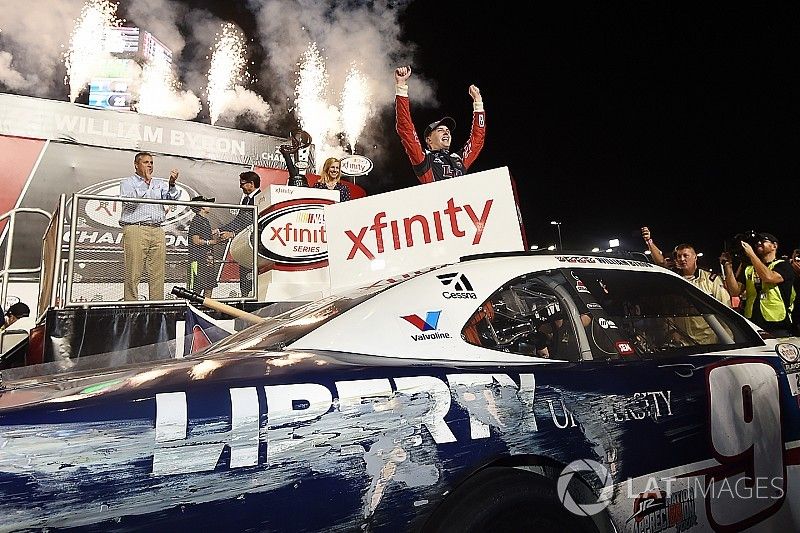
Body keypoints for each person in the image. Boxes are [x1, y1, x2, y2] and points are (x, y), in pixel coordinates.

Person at [394, 65, 486, 183]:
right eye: (440, 130)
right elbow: (405, 129)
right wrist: (401, 86)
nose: (446, 132)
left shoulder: (459, 159)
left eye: (447, 130)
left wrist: (478, 103)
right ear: (429, 140)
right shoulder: (425, 159)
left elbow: (477, 140)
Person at [119, 152, 180, 301]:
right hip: (136, 228)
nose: (150, 165)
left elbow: (172, 199)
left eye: (151, 162)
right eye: (146, 162)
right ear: (136, 165)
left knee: (158, 272)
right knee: (133, 272)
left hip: (157, 229)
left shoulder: (159, 183)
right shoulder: (127, 182)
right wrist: (145, 183)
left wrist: (172, 184)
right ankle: (131, 306)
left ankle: (156, 306)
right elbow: (130, 203)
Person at [720, 232, 796, 337]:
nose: (758, 243)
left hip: (777, 325)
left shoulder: (783, 265)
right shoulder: (749, 268)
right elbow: (734, 292)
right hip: (753, 323)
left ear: (774, 246)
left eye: (763, 241)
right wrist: (728, 265)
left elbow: (769, 277)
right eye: (757, 242)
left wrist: (752, 254)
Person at [220, 171, 263, 298]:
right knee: (244, 276)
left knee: (254, 278)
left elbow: (254, 223)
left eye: (243, 183)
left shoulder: (261, 198)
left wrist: (233, 233)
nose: (240, 186)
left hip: (255, 246)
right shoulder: (245, 200)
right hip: (245, 245)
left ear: (251, 184)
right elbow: (239, 220)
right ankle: (245, 299)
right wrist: (220, 230)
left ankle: (253, 300)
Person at [187, 195, 228, 298]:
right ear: (201, 206)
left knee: (209, 287)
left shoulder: (205, 221)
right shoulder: (196, 220)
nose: (209, 206)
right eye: (207, 203)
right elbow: (195, 241)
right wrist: (212, 242)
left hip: (208, 261)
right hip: (198, 261)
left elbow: (206, 236)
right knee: (196, 290)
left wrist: (218, 236)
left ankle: (206, 307)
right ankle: (193, 307)